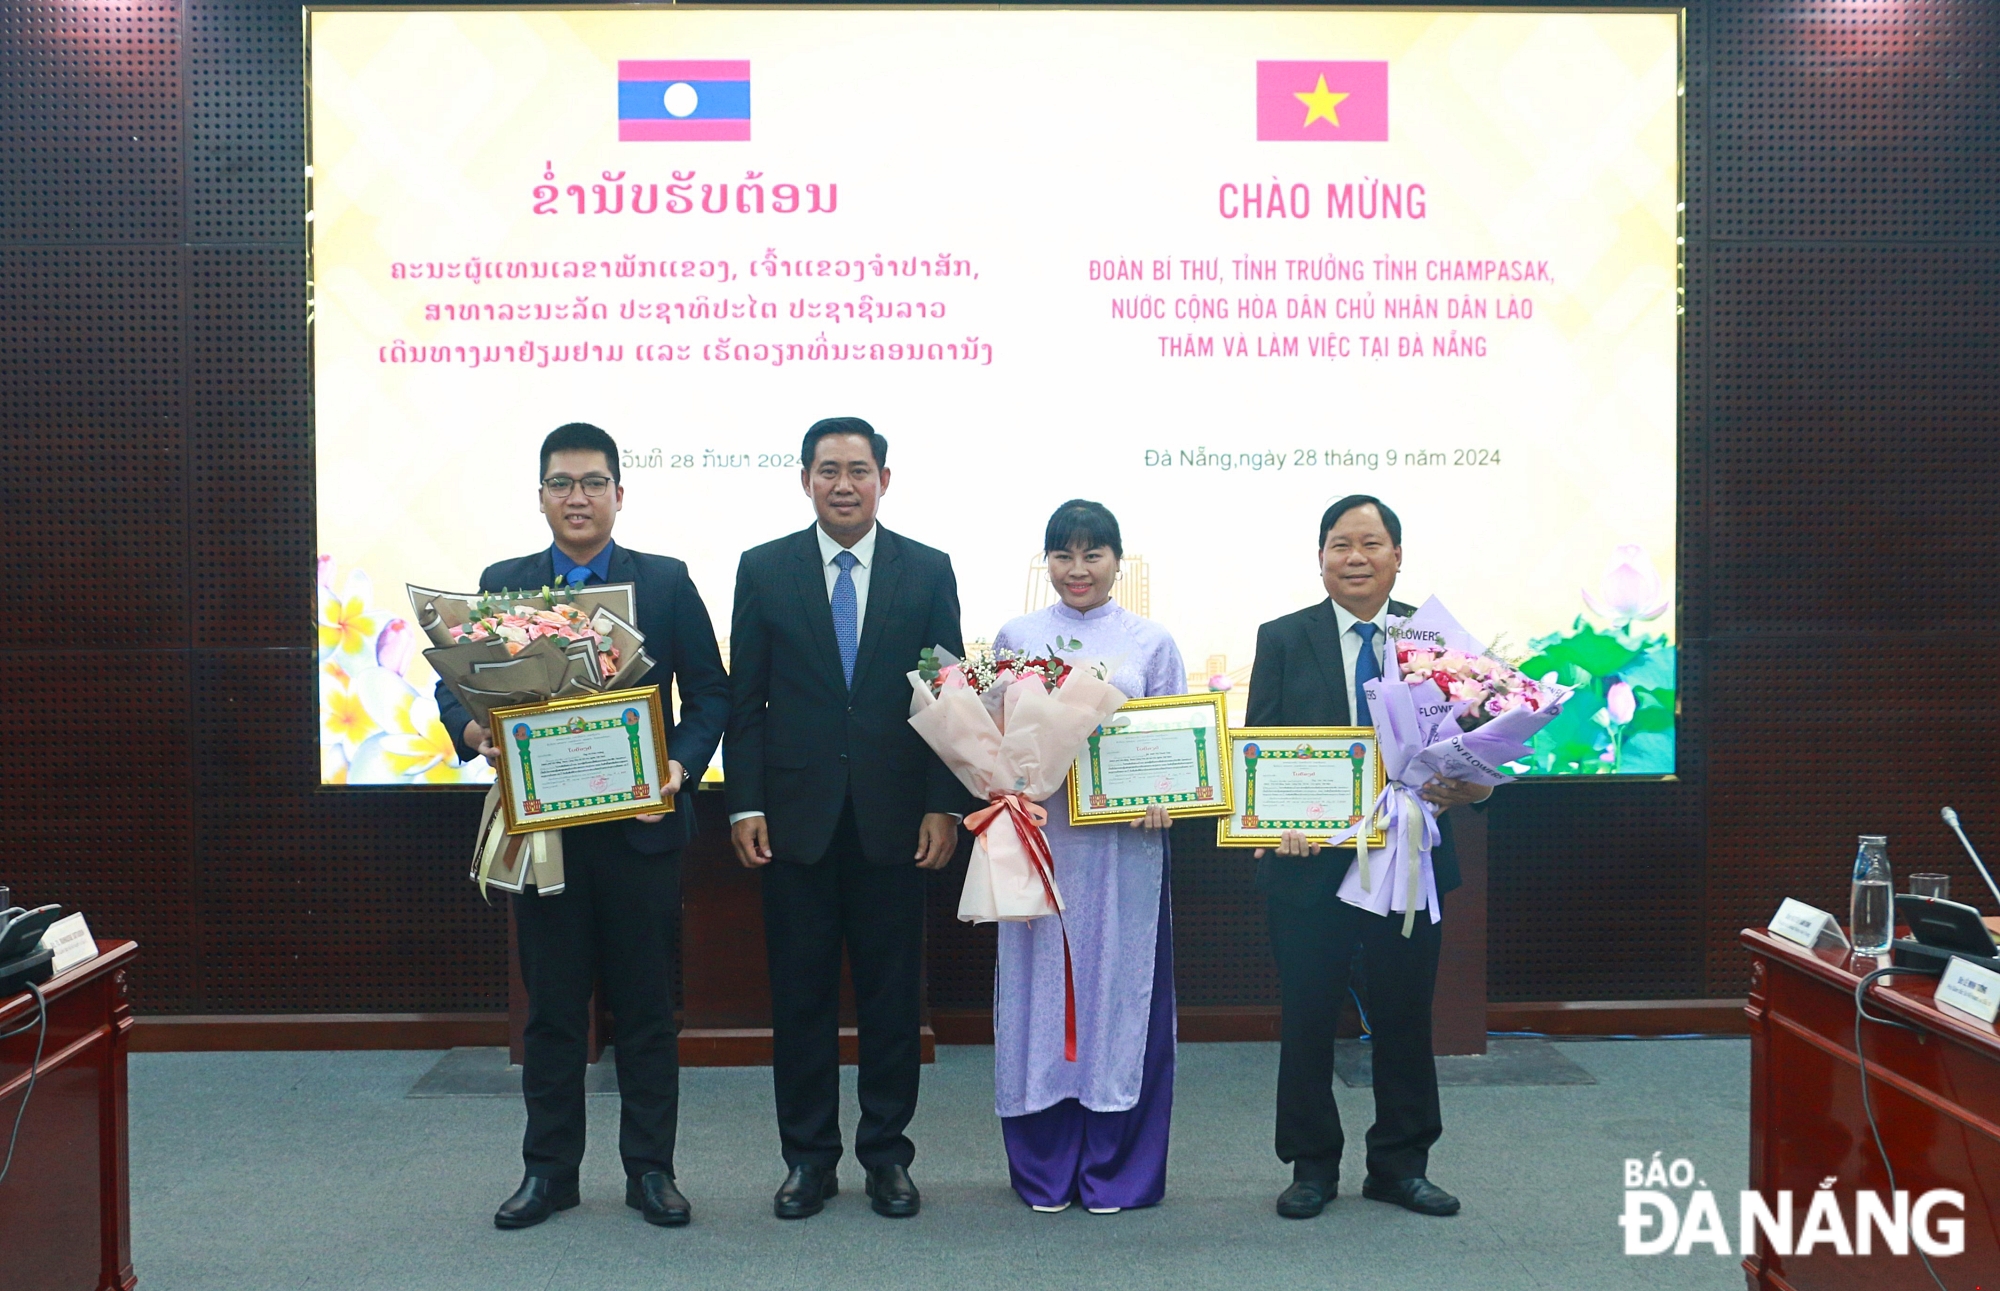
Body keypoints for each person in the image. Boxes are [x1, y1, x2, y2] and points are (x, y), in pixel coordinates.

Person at [437, 422, 729, 1230]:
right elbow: (454, 687)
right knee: (554, 1011)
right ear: (541, 496)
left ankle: (651, 1173)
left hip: (640, 832)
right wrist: (472, 732)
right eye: (562, 483)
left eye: (593, 482)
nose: (578, 497)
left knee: (644, 1012)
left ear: (619, 494)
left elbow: (711, 695)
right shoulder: (504, 586)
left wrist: (678, 767)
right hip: (547, 837)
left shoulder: (664, 584)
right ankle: (550, 1172)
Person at [725, 416, 970, 1220]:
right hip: (793, 820)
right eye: (827, 469)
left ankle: (886, 1157)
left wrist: (943, 802)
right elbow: (746, 701)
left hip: (896, 821)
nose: (842, 483)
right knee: (799, 1000)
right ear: (805, 479)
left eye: (858, 469)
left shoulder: (927, 569)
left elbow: (948, 697)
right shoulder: (763, 568)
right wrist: (747, 801)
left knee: (892, 998)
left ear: (884, 481)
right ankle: (808, 1159)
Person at [1244, 494, 1490, 1221]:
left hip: (1406, 856)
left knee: (1406, 1014)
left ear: (1398, 555)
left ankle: (1400, 1164)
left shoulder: (1435, 642)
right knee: (1308, 1015)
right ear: (1319, 559)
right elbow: (1260, 744)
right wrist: (1273, 819)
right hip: (1309, 862)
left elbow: (1476, 751)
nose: (1355, 557)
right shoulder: (1284, 637)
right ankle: (1311, 1164)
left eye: (1371, 543)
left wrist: (1466, 787)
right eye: (1340, 545)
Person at [989, 500, 1185, 1214]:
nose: (1078, 569)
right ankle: (1043, 1165)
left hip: (1125, 849)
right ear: (1047, 562)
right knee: (1037, 997)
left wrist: (1171, 795)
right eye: (1064, 555)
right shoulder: (1018, 635)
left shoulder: (1151, 641)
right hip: (1043, 841)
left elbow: (1177, 743)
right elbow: (996, 740)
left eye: (1093, 554)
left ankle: (1117, 1168)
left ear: (1117, 561)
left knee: (1119, 995)